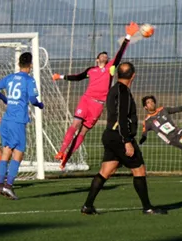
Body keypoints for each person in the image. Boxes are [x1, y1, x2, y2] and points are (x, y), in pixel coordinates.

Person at [81, 62, 167, 215]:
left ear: (117, 74)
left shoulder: (114, 89)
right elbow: (121, 117)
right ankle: (147, 207)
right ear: (133, 76)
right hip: (120, 136)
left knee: (106, 171)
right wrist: (127, 142)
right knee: (139, 169)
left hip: (110, 135)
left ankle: (87, 206)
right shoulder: (123, 92)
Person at [52, 22, 139, 169]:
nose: (105, 55)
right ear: (97, 59)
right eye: (102, 55)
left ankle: (65, 159)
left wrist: (128, 36)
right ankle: (61, 151)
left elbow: (120, 53)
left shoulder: (110, 68)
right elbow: (78, 77)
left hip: (98, 105)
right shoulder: (91, 70)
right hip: (86, 100)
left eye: (106, 55)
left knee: (83, 132)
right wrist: (60, 76)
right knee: (74, 125)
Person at [0, 52, 44, 200]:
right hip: (18, 121)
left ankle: (0, 184)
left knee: (6, 151)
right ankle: (8, 186)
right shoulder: (29, 80)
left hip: (6, 120)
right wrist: (39, 104)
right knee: (19, 153)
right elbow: (33, 100)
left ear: (19, 64)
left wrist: (5, 99)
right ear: (31, 65)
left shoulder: (10, 77)